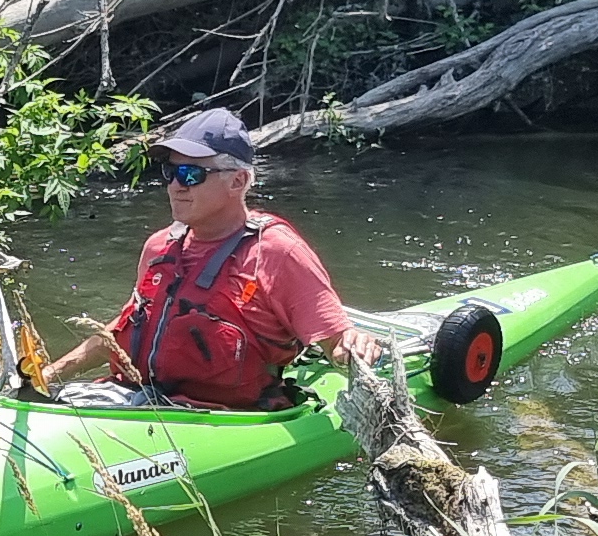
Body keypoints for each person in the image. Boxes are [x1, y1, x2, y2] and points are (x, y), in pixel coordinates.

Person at [45, 108, 389, 409]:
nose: (176, 186)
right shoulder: (159, 246)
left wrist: (353, 345)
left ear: (237, 181)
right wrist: (48, 375)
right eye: (170, 172)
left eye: (191, 175)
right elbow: (128, 328)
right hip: (138, 398)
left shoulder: (278, 252)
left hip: (224, 417)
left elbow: (335, 341)